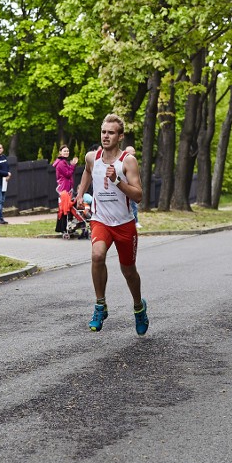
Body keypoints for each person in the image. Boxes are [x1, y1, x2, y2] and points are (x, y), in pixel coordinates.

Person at [75, 114, 148, 335]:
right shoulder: (92, 157)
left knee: (128, 271)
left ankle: (138, 307)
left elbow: (138, 196)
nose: (106, 136)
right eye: (104, 132)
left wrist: (117, 181)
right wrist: (80, 193)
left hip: (124, 223)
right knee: (97, 255)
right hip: (100, 220)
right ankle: (100, 305)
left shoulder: (127, 161)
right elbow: (87, 172)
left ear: (120, 136)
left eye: (111, 133)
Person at [123, 146, 143, 229]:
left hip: (132, 188)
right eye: (132, 151)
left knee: (134, 206)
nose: (134, 153)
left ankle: (135, 221)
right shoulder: (123, 162)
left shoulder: (133, 162)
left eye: (134, 152)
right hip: (125, 188)